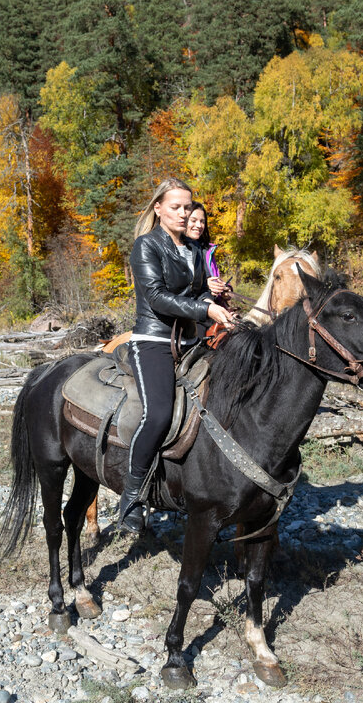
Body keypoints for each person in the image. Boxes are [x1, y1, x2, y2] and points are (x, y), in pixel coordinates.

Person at [119, 179, 235, 534]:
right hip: (152, 340)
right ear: (158, 209)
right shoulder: (146, 246)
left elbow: (196, 290)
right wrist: (207, 311)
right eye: (176, 207)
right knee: (158, 414)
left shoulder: (194, 249)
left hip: (190, 341)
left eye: (187, 207)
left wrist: (212, 294)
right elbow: (156, 297)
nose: (185, 214)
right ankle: (131, 495)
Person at [184, 202, 231, 306]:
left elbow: (214, 279)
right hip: (191, 312)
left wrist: (224, 290)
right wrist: (204, 284)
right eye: (193, 220)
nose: (199, 225)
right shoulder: (176, 248)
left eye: (202, 221)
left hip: (211, 308)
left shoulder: (207, 250)